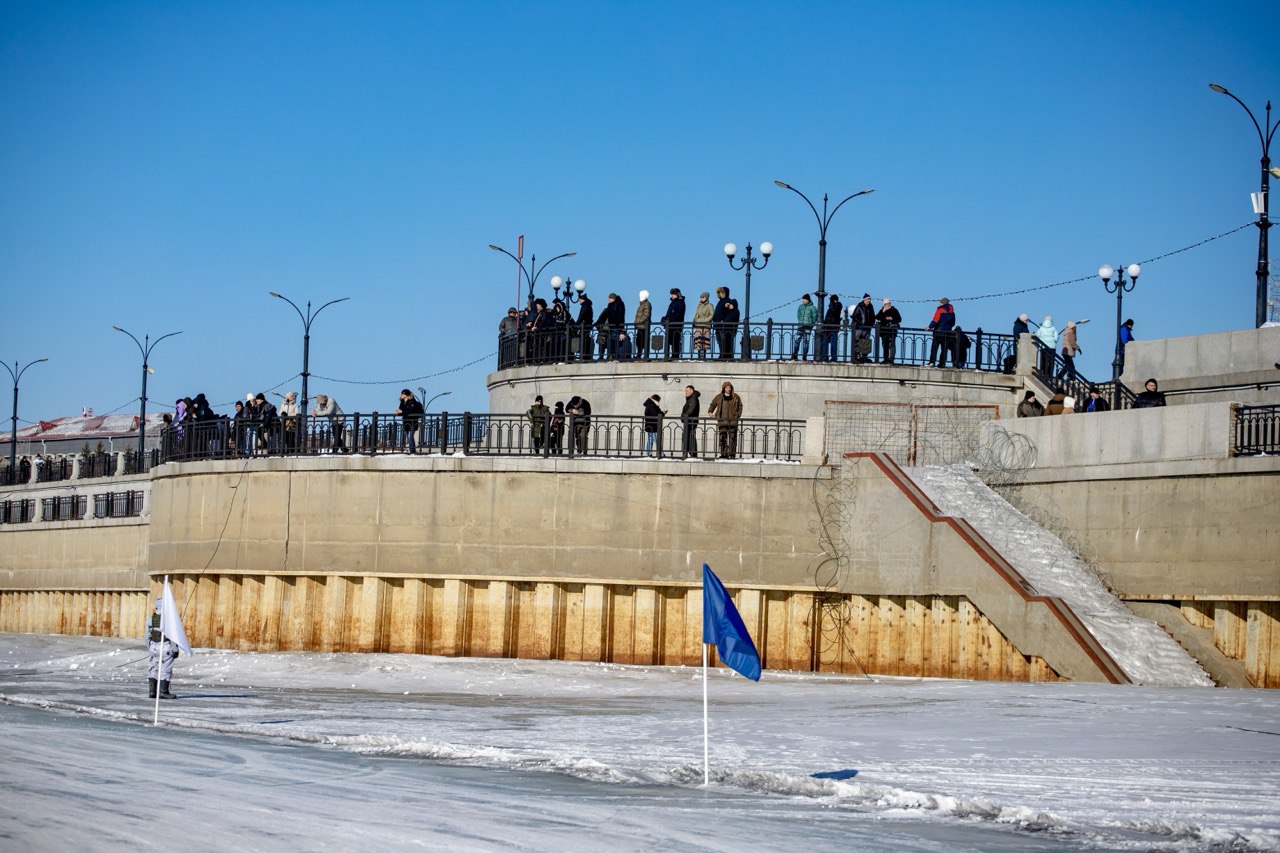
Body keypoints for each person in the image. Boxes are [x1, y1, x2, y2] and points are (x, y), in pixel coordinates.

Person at [146, 597, 180, 699]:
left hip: (153, 646)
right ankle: (163, 692)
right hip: (165, 647)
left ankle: (152, 692)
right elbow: (173, 637)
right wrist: (175, 649)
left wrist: (150, 647)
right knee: (165, 669)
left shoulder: (150, 619)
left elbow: (146, 636)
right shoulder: (169, 620)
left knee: (153, 668)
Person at [707, 381, 743, 459]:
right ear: (724, 388)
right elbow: (713, 404)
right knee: (722, 438)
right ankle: (723, 454)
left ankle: (732, 454)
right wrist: (710, 411)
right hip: (722, 421)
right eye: (727, 387)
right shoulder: (719, 397)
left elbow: (740, 406)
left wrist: (737, 416)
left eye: (730, 387)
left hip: (733, 421)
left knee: (732, 438)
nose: (729, 389)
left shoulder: (736, 397)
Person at [595, 293, 626, 360]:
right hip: (608, 328)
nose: (608, 299)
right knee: (607, 341)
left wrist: (618, 325)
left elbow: (620, 316)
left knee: (613, 341)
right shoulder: (609, 307)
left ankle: (612, 355)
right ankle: (606, 356)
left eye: (609, 298)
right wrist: (597, 324)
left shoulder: (618, 304)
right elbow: (603, 316)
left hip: (613, 327)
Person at [927, 297, 955, 367]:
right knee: (944, 349)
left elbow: (935, 320)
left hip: (938, 332)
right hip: (947, 332)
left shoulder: (940, 310)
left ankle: (932, 362)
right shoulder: (952, 312)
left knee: (934, 348)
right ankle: (942, 363)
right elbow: (953, 323)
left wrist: (929, 327)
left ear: (942, 303)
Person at [395, 388, 424, 453]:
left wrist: (401, 411)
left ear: (406, 395)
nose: (401, 395)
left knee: (410, 436)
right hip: (406, 422)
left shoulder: (412, 401)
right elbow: (403, 411)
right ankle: (412, 450)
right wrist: (398, 412)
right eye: (401, 393)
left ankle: (412, 450)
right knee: (409, 437)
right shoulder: (402, 402)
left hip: (412, 422)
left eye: (403, 394)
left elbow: (410, 410)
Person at [660, 288, 686, 359]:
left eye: (673, 294)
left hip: (676, 325)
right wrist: (664, 319)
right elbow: (669, 314)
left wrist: (670, 320)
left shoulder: (680, 303)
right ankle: (667, 356)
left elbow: (679, 315)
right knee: (669, 341)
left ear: (677, 294)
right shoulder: (672, 303)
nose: (672, 296)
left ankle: (675, 355)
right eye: (672, 294)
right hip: (670, 326)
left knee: (675, 341)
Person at [875, 298, 902, 364]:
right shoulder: (882, 310)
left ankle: (891, 359)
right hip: (884, 331)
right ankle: (885, 359)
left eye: (888, 303)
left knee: (892, 345)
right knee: (885, 345)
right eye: (886, 304)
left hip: (892, 330)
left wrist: (892, 318)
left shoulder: (894, 310)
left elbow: (899, 319)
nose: (887, 305)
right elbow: (877, 317)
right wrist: (883, 311)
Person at [851, 294, 876, 363]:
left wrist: (871, 324)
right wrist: (860, 323)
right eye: (868, 299)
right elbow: (854, 316)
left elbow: (873, 316)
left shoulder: (871, 307)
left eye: (870, 299)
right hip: (860, 328)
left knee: (865, 342)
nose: (869, 300)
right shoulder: (860, 306)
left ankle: (864, 357)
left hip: (867, 328)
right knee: (857, 341)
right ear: (864, 300)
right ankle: (856, 356)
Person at [712, 286, 736, 359]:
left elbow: (730, 314)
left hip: (724, 327)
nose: (718, 294)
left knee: (724, 342)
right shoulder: (720, 302)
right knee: (719, 342)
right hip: (717, 326)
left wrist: (723, 321)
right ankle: (721, 355)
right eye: (717, 292)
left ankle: (725, 356)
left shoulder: (727, 301)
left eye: (720, 292)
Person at [820, 293, 843, 362]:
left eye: (831, 300)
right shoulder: (830, 308)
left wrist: (832, 302)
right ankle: (824, 356)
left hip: (833, 327)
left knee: (833, 344)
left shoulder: (838, 305)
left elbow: (834, 310)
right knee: (824, 343)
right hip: (827, 328)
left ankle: (833, 357)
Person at [793, 293, 817, 360]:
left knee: (806, 341)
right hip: (800, 326)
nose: (802, 301)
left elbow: (814, 317)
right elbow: (798, 315)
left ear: (807, 300)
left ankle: (804, 356)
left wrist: (811, 324)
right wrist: (800, 322)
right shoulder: (800, 307)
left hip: (808, 327)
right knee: (797, 340)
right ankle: (795, 354)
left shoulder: (813, 308)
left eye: (803, 299)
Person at [680, 384, 700, 459]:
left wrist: (684, 416)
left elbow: (690, 410)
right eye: (685, 390)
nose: (686, 392)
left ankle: (693, 454)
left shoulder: (693, 398)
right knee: (688, 437)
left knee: (690, 437)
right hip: (689, 421)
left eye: (687, 390)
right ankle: (690, 453)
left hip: (691, 421)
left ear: (692, 391)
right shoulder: (690, 399)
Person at [692, 291, 714, 358]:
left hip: (705, 326)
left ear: (706, 297)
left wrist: (705, 321)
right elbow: (696, 315)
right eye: (701, 297)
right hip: (698, 326)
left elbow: (711, 314)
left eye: (703, 297)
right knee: (698, 341)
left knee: (704, 342)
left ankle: (703, 356)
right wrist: (694, 322)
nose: (701, 298)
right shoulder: (699, 305)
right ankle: (699, 356)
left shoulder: (710, 305)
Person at [575, 294, 595, 361]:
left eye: (579, 300)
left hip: (585, 325)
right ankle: (585, 355)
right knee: (585, 339)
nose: (578, 301)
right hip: (587, 325)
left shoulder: (585, 305)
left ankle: (584, 355)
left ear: (580, 299)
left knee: (583, 340)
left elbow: (581, 315)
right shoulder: (588, 304)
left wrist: (577, 324)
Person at [634, 290, 652, 357]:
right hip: (640, 326)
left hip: (644, 326)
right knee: (639, 342)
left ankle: (645, 355)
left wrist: (637, 322)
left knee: (644, 341)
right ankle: (639, 354)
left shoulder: (647, 304)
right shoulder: (642, 305)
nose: (640, 296)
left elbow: (646, 315)